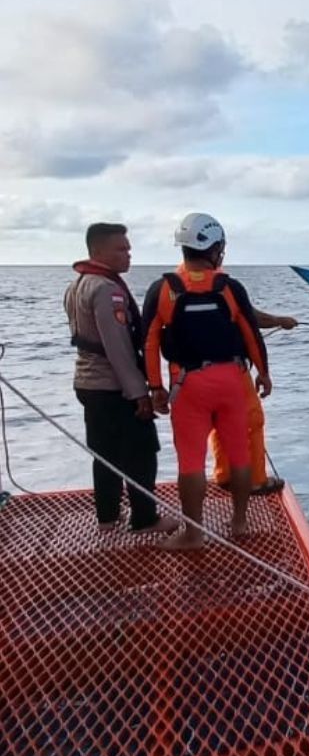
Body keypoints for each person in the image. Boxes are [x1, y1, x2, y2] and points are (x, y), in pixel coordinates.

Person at [142, 213, 271, 550]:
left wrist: (154, 386)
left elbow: (149, 341)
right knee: (240, 454)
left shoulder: (163, 289)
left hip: (188, 384)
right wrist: (263, 373)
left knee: (191, 462)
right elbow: (251, 334)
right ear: (215, 248)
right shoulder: (230, 288)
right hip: (230, 379)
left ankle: (194, 534)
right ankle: (240, 522)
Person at [63, 223, 179, 534]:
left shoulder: (77, 285)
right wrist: (139, 393)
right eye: (120, 249)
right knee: (141, 452)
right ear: (97, 252)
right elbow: (118, 348)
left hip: (87, 383)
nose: (128, 254)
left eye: (128, 248)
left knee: (105, 454)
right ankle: (144, 519)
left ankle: (107, 518)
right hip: (112, 386)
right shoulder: (107, 290)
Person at [211, 309, 295, 495]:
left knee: (219, 419)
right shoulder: (225, 287)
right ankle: (256, 480)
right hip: (230, 368)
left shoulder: (173, 288)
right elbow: (250, 316)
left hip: (191, 372)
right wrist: (279, 320)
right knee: (252, 421)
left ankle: (224, 474)